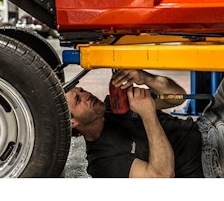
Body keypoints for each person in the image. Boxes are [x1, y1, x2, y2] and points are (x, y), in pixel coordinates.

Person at [66, 69, 224, 178]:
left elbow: (178, 96)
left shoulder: (115, 106)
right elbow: (161, 176)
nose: (86, 95)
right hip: (212, 158)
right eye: (78, 100)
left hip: (207, 123)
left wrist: (146, 78)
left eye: (82, 90)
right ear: (72, 122)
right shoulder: (102, 162)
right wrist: (148, 115)